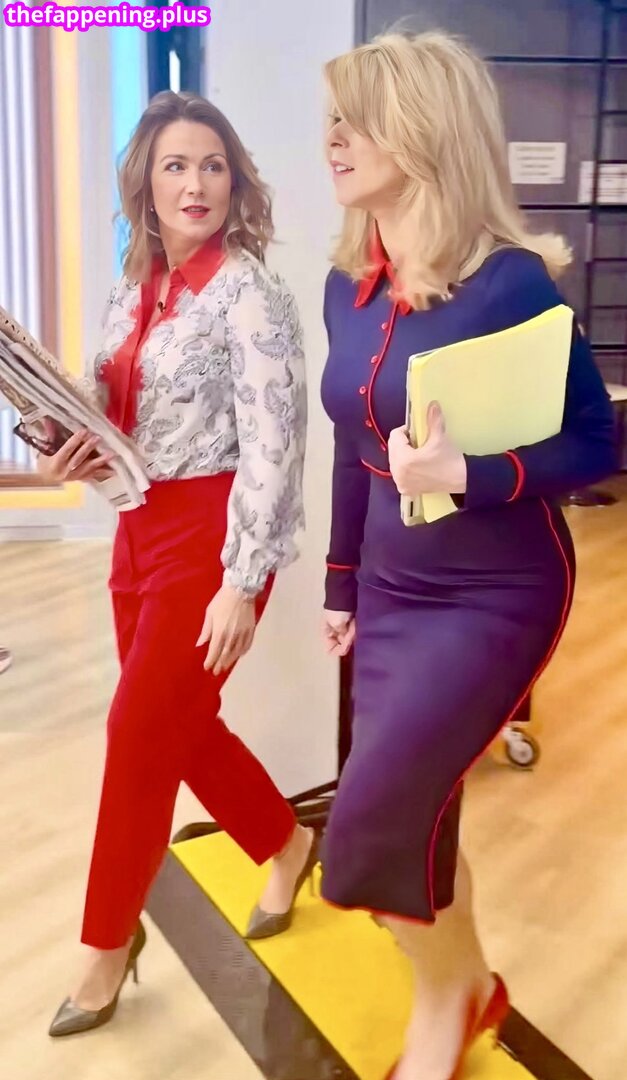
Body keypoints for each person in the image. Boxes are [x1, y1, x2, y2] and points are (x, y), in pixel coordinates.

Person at [319, 31, 616, 1080]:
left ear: (422, 132)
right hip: (389, 588)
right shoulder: (346, 288)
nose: (333, 140)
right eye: (331, 120)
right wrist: (340, 582)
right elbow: (353, 448)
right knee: (418, 810)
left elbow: (597, 443)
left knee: (367, 828)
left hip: (498, 591)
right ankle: (466, 991)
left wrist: (470, 474)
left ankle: (450, 996)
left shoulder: (510, 285)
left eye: (355, 121)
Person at [38, 91, 312, 1038]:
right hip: (138, 526)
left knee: (137, 735)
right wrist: (66, 438)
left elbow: (276, 445)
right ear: (146, 187)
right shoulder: (134, 288)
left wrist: (243, 579)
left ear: (235, 182)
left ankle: (106, 946)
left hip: (212, 535)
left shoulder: (251, 294)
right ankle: (284, 840)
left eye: (212, 165)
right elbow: (118, 411)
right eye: (175, 166)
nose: (195, 183)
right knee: (179, 730)